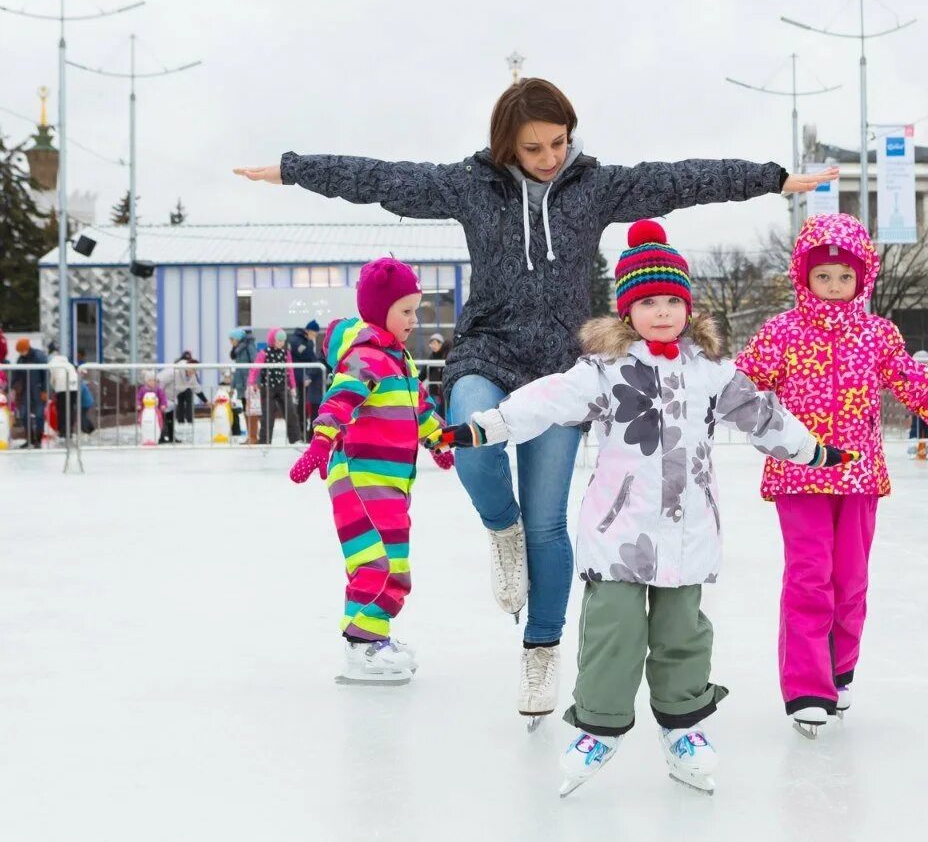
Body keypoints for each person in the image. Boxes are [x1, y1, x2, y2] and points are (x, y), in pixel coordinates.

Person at [234, 77, 838, 706]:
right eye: (533, 148)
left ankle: (540, 651)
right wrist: (292, 170)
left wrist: (769, 178)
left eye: (559, 142)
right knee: (471, 443)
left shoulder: (595, 187)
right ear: (506, 147)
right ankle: (502, 529)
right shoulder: (471, 187)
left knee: (549, 520)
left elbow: (682, 180)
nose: (550, 157)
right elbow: (385, 180)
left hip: (561, 364)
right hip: (488, 350)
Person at [441, 222, 855, 796]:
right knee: (613, 631)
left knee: (684, 634)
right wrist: (484, 426)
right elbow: (546, 399)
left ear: (687, 307)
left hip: (689, 533)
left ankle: (684, 729)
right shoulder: (604, 372)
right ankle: (599, 728)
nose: (661, 313)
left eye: (671, 301)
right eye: (647, 303)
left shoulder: (712, 373)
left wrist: (811, 449)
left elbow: (763, 416)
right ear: (627, 311)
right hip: (619, 535)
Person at [736, 213, 928, 736]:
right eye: (823, 277)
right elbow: (735, 390)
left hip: (859, 477)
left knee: (850, 581)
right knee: (809, 577)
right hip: (800, 476)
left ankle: (839, 671)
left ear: (863, 278)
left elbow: (918, 388)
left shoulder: (876, 334)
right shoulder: (783, 332)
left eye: (845, 277)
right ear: (804, 277)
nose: (834, 288)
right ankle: (806, 687)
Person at [288, 258, 451, 685]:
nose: (414, 320)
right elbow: (340, 400)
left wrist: (440, 443)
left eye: (417, 310)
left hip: (392, 485)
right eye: (406, 311)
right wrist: (320, 443)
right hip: (361, 480)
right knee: (374, 563)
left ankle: (374, 637)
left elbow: (421, 409)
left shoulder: (400, 363)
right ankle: (362, 648)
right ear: (380, 311)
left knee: (394, 566)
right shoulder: (366, 358)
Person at [247, 329, 300, 445]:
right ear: (272, 340)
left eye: (283, 341)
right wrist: (251, 383)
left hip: (283, 387)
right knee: (268, 415)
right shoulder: (264, 353)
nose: (281, 343)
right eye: (279, 341)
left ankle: (295, 439)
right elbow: (255, 369)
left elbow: (290, 370)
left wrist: (293, 387)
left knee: (291, 412)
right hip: (268, 387)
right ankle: (265, 440)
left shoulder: (286, 353)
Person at [288, 320, 324, 438]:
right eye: (314, 333)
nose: (315, 336)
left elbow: (312, 358)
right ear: (308, 331)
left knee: (305, 405)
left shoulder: (307, 341)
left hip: (306, 378)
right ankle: (300, 431)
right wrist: (309, 341)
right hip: (298, 378)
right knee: (300, 406)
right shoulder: (296, 339)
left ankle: (305, 431)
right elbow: (305, 354)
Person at [12, 338, 49, 449]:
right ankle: (30, 439)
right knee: (23, 414)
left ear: (27, 348)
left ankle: (38, 440)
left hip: (38, 390)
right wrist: (10, 385)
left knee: (39, 415)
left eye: (22, 350)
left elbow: (46, 373)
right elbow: (16, 374)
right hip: (26, 391)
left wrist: (45, 390)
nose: (21, 353)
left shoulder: (39, 356)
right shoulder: (21, 359)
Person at [47, 348, 80, 441]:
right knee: (70, 409)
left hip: (62, 388)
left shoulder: (52, 364)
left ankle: (62, 431)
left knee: (62, 410)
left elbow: (52, 378)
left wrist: (53, 389)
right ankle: (69, 431)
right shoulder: (68, 364)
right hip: (74, 388)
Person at [228, 329, 255, 437]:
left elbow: (255, 363)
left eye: (232, 339)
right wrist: (232, 386)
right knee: (246, 410)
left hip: (249, 384)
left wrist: (253, 382)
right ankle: (250, 435)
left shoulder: (248, 346)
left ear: (238, 339)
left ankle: (253, 436)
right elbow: (238, 370)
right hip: (242, 384)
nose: (231, 342)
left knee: (251, 410)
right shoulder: (239, 350)